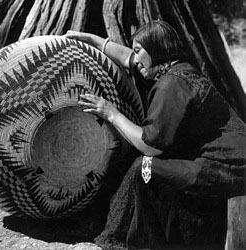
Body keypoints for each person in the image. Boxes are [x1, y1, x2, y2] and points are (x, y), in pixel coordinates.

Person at [65, 21, 246, 250]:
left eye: (140, 50)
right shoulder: (179, 69)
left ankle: (115, 241)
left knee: (144, 167)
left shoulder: (172, 84)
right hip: (231, 162)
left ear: (157, 49)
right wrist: (92, 40)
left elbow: (150, 146)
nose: (136, 59)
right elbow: (129, 58)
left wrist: (111, 113)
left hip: (226, 167)